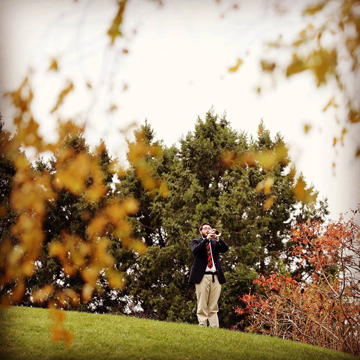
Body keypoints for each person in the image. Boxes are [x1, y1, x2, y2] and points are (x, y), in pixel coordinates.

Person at [188, 222, 229, 328]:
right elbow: (195, 251)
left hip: (216, 276)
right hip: (202, 276)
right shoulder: (196, 241)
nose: (207, 230)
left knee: (213, 304)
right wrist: (206, 240)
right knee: (202, 303)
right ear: (201, 231)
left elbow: (225, 249)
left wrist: (217, 239)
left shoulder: (215, 243)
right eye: (205, 228)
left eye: (209, 228)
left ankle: (214, 327)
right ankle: (202, 325)